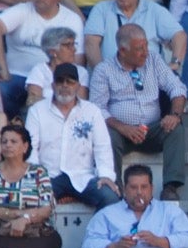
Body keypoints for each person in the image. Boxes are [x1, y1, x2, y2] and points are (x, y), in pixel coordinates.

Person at [89, 24, 188, 200]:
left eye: (145, 46)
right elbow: (97, 110)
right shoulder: (104, 70)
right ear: (122, 50)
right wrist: (123, 127)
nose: (145, 52)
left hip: (152, 128)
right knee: (106, 135)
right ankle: (116, 187)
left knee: (176, 128)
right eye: (139, 49)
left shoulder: (154, 60)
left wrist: (174, 115)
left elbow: (177, 87)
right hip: (121, 133)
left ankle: (170, 187)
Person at [0, 0, 86, 118]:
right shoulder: (22, 10)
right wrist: (4, 70)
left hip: (53, 78)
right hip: (17, 76)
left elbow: (78, 59)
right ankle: (14, 126)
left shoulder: (72, 19)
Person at [26, 63, 119, 211]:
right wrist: (36, 178)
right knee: (30, 198)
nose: (65, 85)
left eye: (70, 82)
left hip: (83, 177)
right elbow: (30, 148)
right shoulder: (37, 111)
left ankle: (96, 234)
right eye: (60, 81)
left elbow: (102, 147)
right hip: (48, 176)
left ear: (78, 86)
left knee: (110, 197)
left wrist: (105, 175)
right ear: (52, 85)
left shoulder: (92, 111)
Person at [88, 0, 186, 70]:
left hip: (150, 79)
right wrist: (103, 73)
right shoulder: (101, 9)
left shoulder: (154, 10)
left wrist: (174, 65)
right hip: (111, 78)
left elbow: (180, 36)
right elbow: (90, 43)